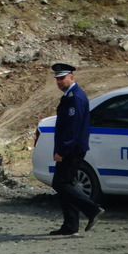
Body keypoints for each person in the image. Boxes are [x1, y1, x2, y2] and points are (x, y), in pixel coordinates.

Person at [49, 63, 105, 236]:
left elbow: (72, 129)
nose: (59, 82)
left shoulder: (75, 97)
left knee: (60, 183)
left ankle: (92, 209)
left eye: (62, 78)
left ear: (71, 77)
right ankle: (71, 225)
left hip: (72, 150)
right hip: (71, 148)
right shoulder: (70, 96)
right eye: (57, 79)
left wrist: (62, 150)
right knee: (68, 184)